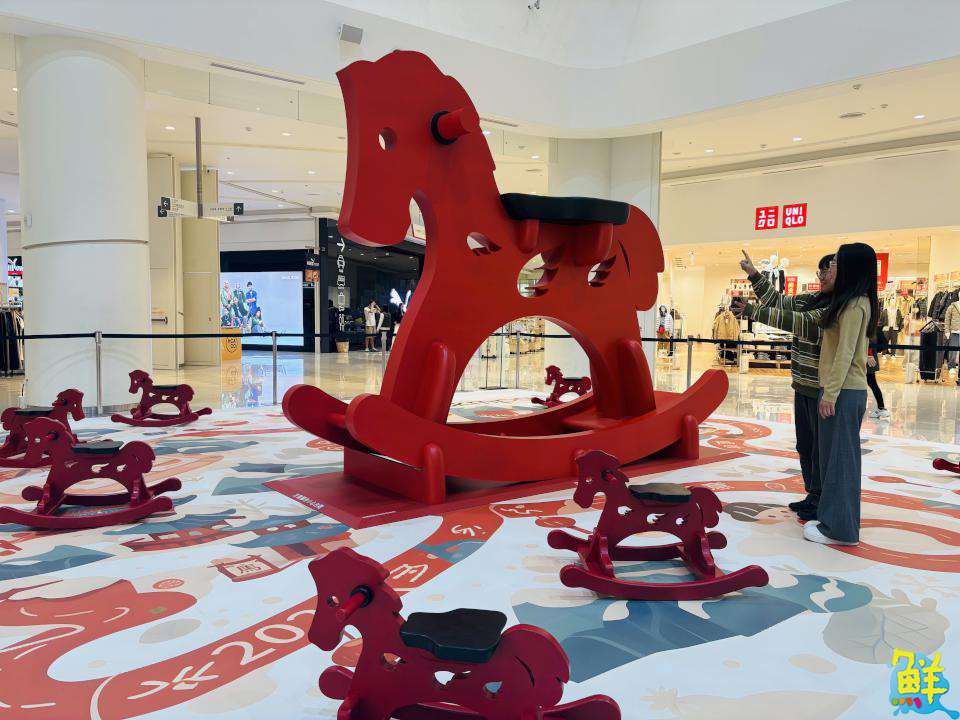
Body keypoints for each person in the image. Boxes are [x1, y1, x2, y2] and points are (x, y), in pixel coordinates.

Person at [731, 251, 835, 522]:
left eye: (827, 270)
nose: (822, 276)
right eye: (821, 271)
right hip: (802, 385)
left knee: (820, 449)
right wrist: (753, 274)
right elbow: (778, 302)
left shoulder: (837, 309)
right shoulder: (810, 299)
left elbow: (798, 322)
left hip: (822, 389)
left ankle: (823, 497)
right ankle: (813, 494)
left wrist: (752, 311)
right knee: (805, 445)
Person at [806, 242, 878, 546]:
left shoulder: (856, 304)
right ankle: (832, 520)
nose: (830, 268)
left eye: (835, 262)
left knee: (841, 461)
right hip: (839, 389)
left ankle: (840, 530)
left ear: (850, 266)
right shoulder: (847, 301)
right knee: (832, 459)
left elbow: (846, 352)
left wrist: (831, 393)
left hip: (844, 390)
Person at [866, 327, 890, 418]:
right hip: (868, 357)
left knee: (871, 383)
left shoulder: (869, 326)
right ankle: (881, 407)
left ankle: (881, 408)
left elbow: (868, 340)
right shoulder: (874, 327)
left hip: (868, 359)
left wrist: (870, 354)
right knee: (872, 383)